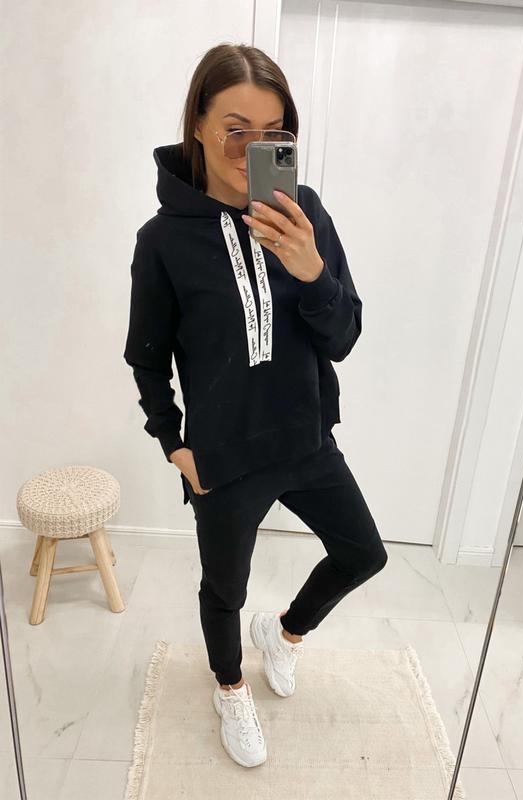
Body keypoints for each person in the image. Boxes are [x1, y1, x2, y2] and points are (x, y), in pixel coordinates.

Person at [123, 43, 388, 769]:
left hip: (306, 438)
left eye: (273, 134)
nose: (252, 150)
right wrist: (173, 442)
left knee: (363, 554)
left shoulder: (305, 213)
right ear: (199, 125)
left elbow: (344, 337)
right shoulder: (163, 241)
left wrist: (311, 270)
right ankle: (230, 687)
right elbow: (146, 355)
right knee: (224, 591)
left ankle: (286, 633)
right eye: (235, 129)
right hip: (225, 456)